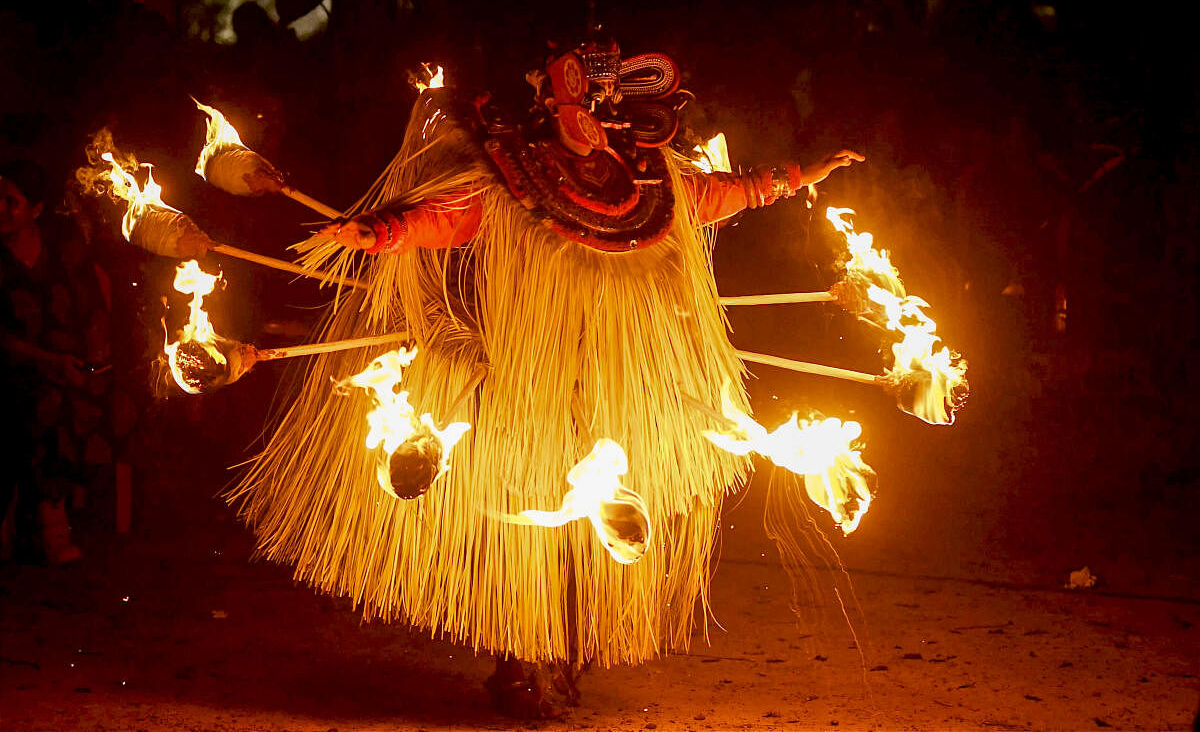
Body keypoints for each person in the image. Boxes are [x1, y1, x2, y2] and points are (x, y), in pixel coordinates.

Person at [227, 38, 861, 718]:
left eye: (604, 99)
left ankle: (560, 655)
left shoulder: (654, 178)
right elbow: (451, 216)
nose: (594, 112)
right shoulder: (510, 172)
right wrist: (382, 232)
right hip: (526, 386)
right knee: (531, 526)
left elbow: (716, 194)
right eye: (582, 95)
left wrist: (797, 177)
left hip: (620, 387)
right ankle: (526, 656)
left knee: (596, 526)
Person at [0, 159, 113, 565]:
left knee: (111, 402)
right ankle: (49, 523)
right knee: (44, 404)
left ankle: (58, 512)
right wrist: (49, 361)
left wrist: (96, 358)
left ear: (36, 209)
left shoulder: (62, 248)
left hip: (69, 363)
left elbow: (96, 304)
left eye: (10, 201)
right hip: (17, 368)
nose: (0, 209)